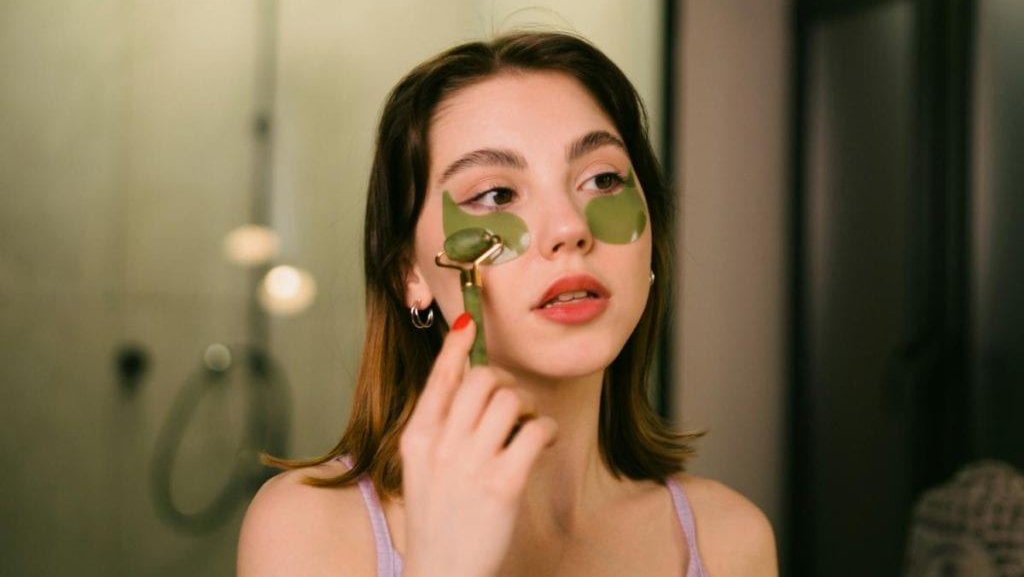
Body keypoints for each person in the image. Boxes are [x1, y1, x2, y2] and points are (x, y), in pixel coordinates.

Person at [237, 31, 777, 576]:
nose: (570, 227)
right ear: (411, 275)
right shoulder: (310, 528)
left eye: (602, 179)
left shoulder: (729, 541)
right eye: (496, 195)